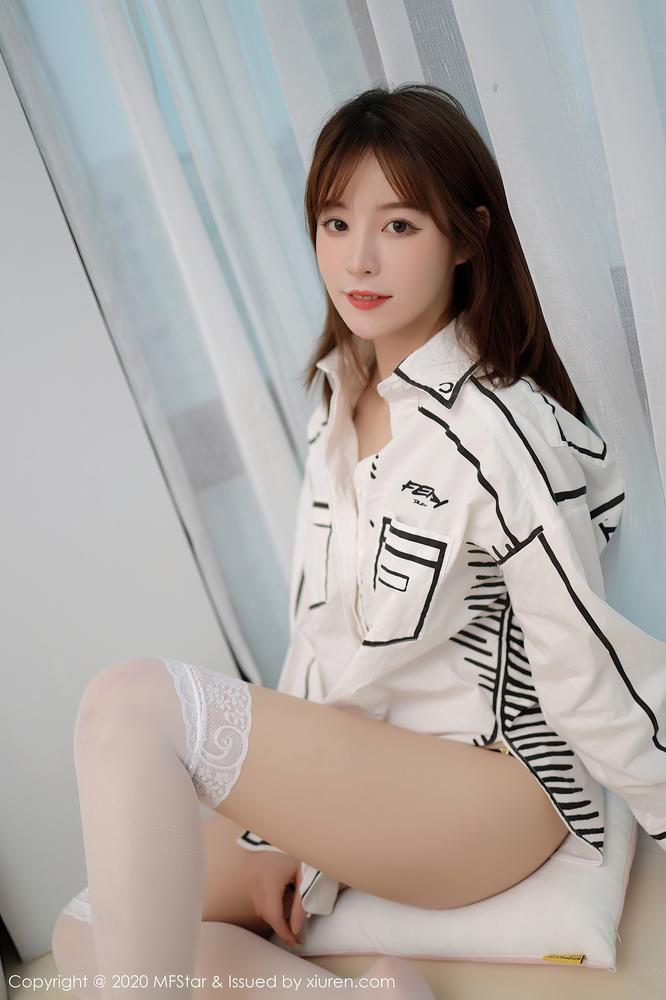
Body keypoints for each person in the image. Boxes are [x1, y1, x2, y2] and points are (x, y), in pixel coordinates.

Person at [52, 84, 666, 999]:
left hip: (495, 789)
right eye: (336, 224)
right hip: (373, 771)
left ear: (467, 238)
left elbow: (588, 664)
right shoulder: (338, 399)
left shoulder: (496, 428)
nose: (359, 258)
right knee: (86, 931)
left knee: (130, 705)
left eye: (400, 225)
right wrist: (283, 828)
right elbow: (319, 639)